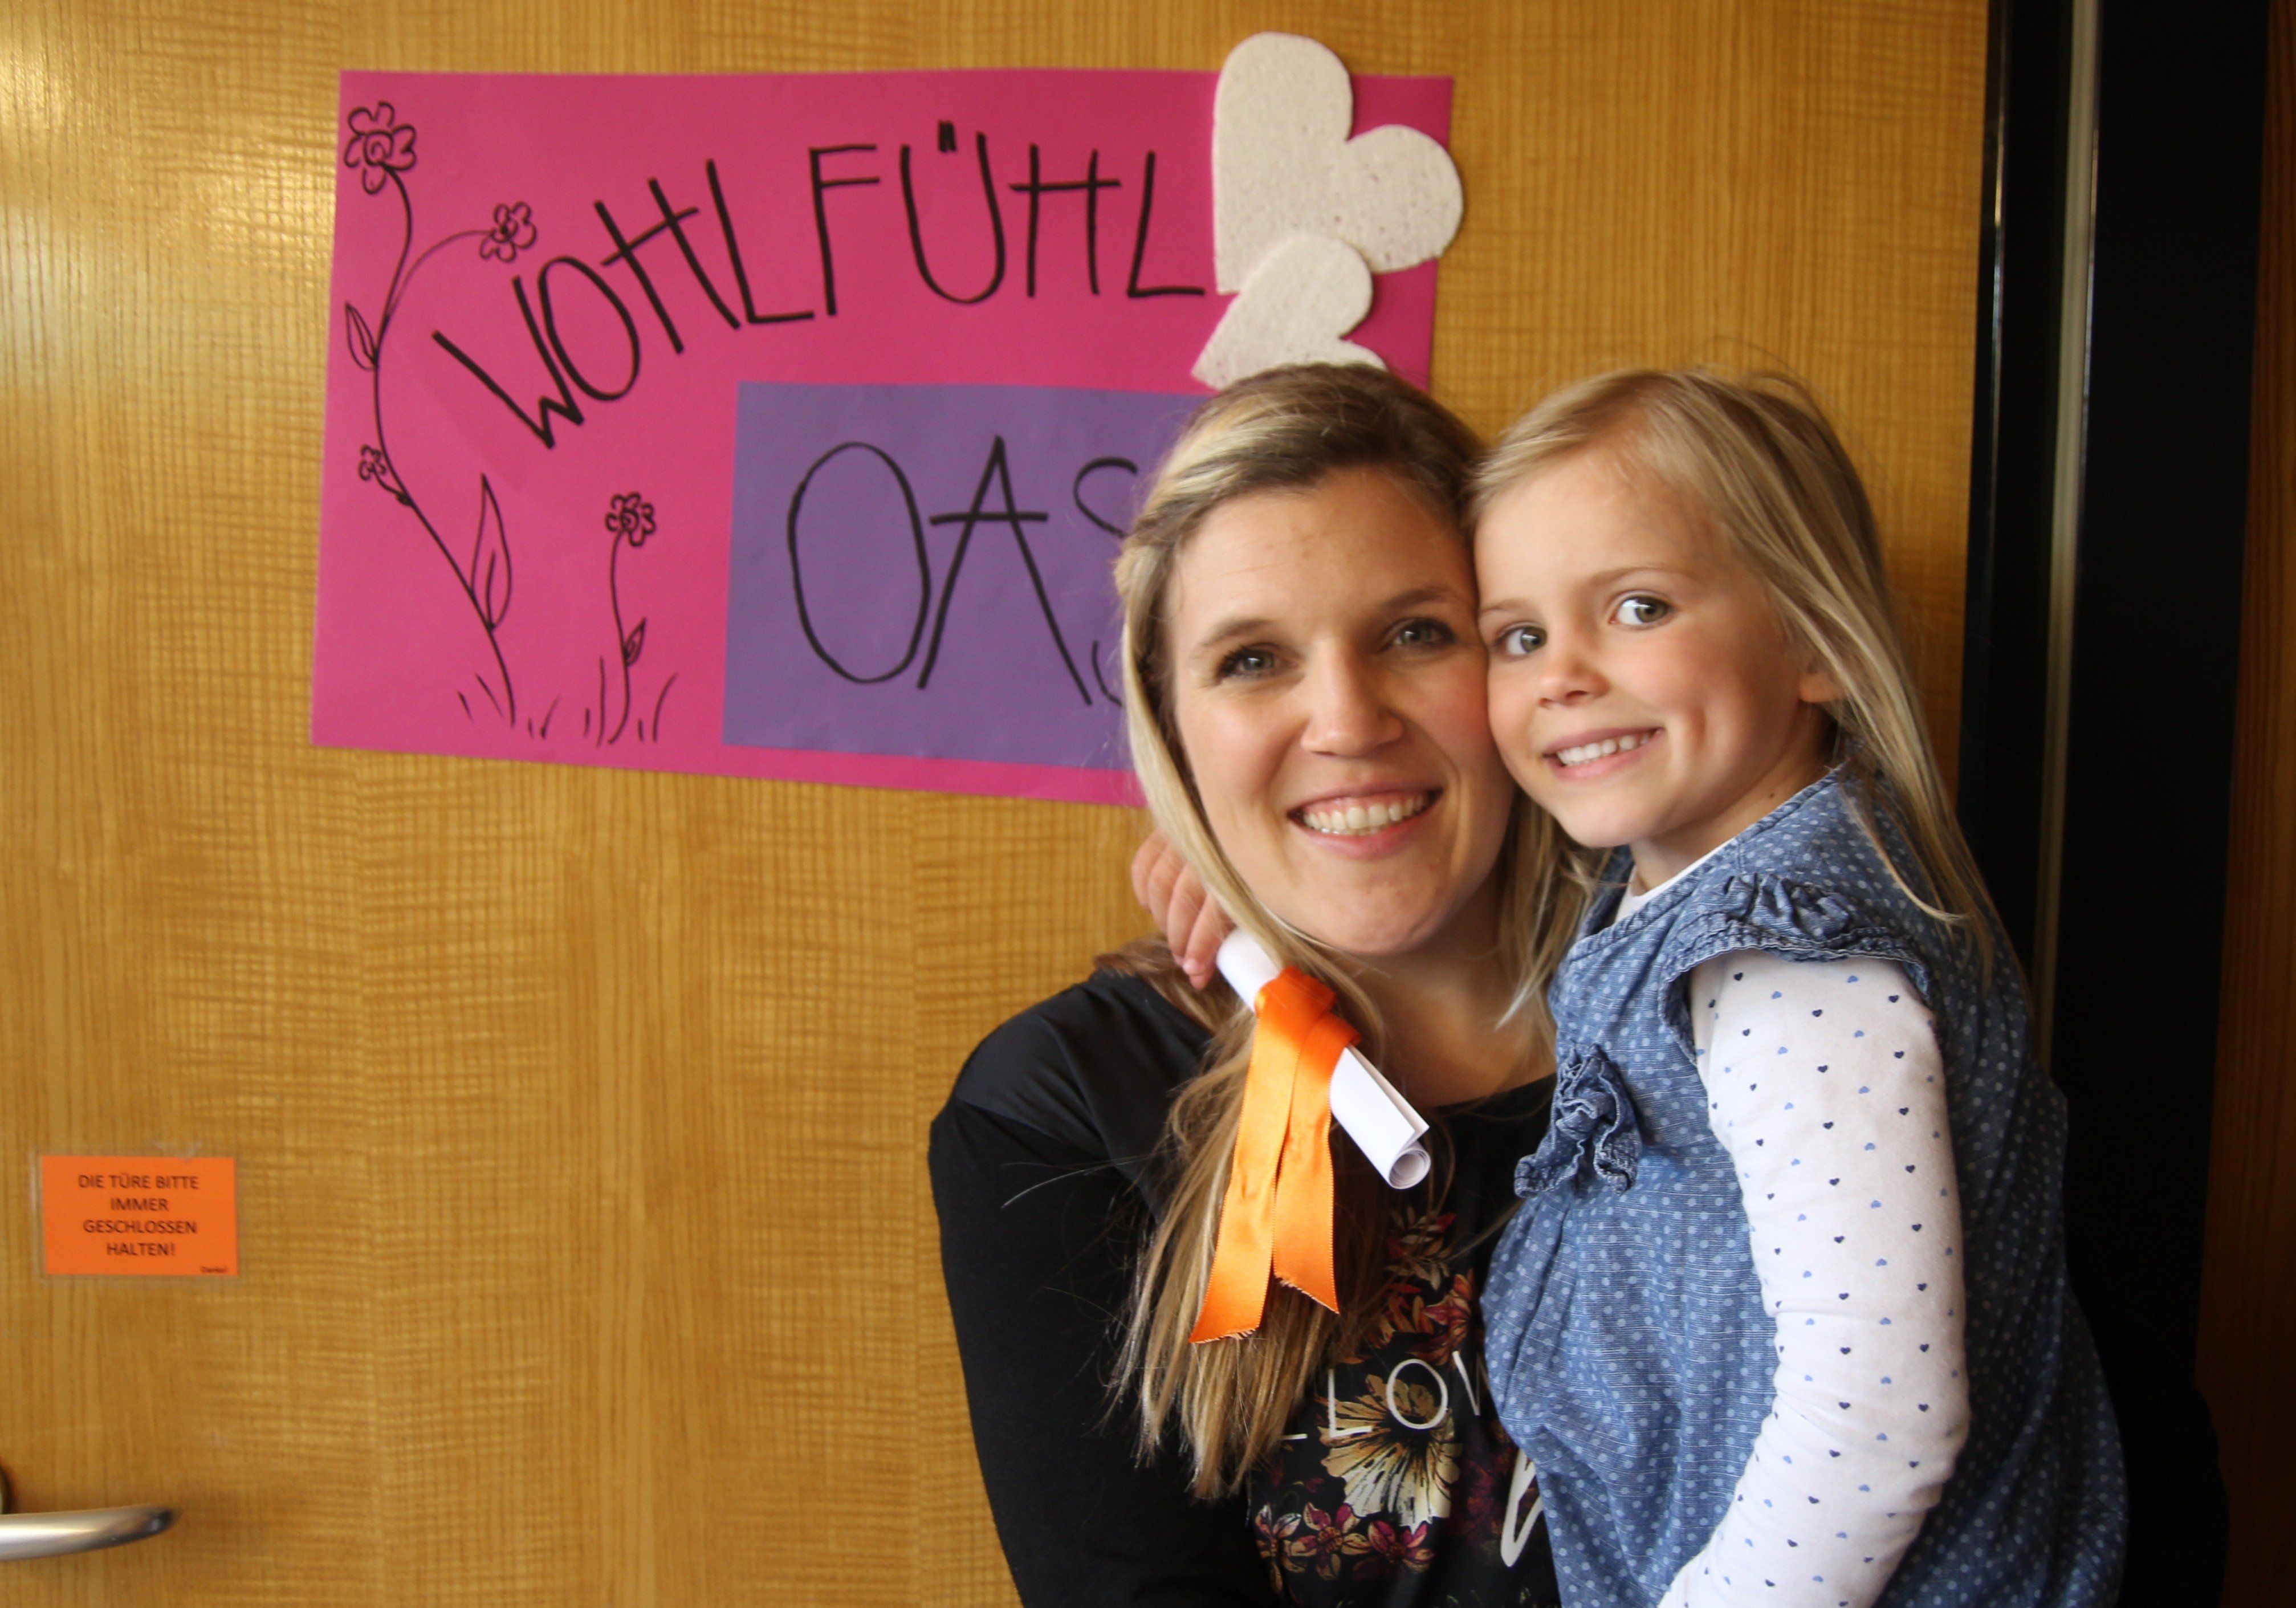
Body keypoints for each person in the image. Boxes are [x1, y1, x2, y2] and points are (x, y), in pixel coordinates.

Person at [1469, 369, 2126, 1607]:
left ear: (1816, 641)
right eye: (1519, 636)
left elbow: (1877, 1420)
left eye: (1638, 606)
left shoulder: (1783, 966)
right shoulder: (1708, 870)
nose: (1560, 675)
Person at [930, 364, 1568, 1607]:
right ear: (1172, 729)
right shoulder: (1067, 1105)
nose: (1346, 721)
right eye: (1253, 659)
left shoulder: (1706, 1014)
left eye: (1414, 633)